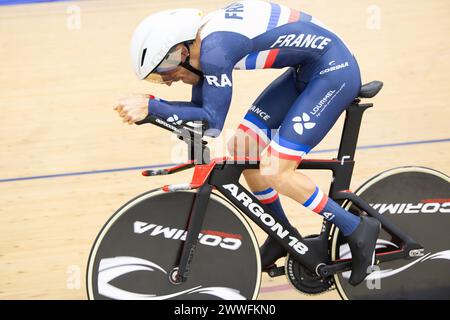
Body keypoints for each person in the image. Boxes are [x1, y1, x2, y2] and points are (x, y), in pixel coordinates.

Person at [114, 0, 381, 286]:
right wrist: (190, 150)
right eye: (158, 79)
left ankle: (356, 228)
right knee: (243, 152)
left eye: (164, 70)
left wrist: (153, 107)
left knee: (276, 170)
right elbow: (204, 128)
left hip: (334, 72)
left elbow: (211, 119)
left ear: (180, 50)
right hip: (306, 70)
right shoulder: (198, 48)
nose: (167, 81)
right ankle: (282, 235)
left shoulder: (216, 50)